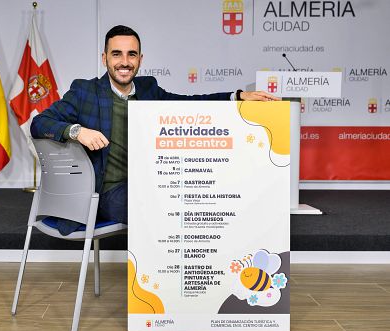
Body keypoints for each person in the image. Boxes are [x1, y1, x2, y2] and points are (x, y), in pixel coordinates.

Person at [31, 25, 280, 235]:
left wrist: (236, 96)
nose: (125, 62)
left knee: (197, 198)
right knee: (164, 210)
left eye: (132, 54)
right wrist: (76, 132)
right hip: (105, 193)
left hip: (149, 185)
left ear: (140, 59)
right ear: (104, 58)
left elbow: (187, 103)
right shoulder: (85, 91)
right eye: (117, 54)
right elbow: (40, 122)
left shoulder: (148, 89)